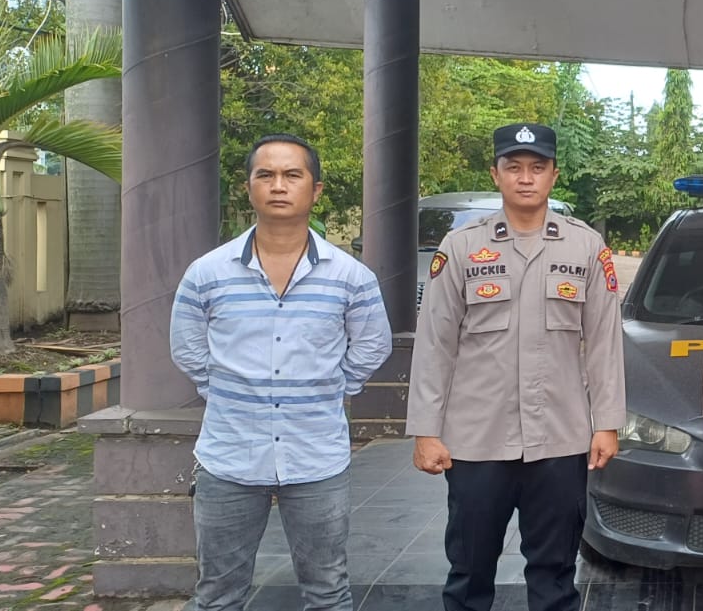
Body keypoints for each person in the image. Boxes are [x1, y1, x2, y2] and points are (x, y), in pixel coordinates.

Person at [170, 134, 394, 611]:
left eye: (292, 175)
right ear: (247, 187)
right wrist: (224, 389)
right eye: (265, 175)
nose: (278, 185)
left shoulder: (350, 277)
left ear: (315, 190)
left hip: (316, 458)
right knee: (216, 594)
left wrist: (336, 385)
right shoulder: (207, 274)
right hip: (230, 456)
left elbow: (374, 343)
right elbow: (187, 348)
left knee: (328, 591)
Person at [406, 122, 624, 611]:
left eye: (537, 167)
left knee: (555, 577)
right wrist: (425, 431)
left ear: (554, 175)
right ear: (496, 174)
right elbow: (435, 344)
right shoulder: (461, 246)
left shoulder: (586, 247)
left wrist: (607, 423)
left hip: (560, 440)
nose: (526, 178)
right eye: (514, 167)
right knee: (469, 574)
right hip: (477, 440)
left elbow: (605, 343)